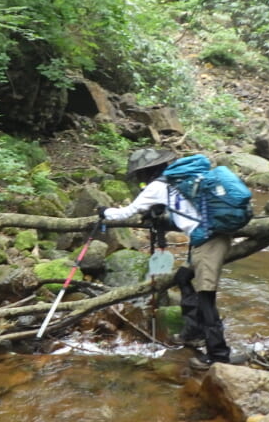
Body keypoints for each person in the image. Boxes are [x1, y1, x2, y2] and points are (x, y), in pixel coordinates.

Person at [100, 147, 246, 371]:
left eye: (139, 174)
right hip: (207, 237)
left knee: (206, 297)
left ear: (146, 172)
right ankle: (193, 333)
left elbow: (124, 213)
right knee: (183, 277)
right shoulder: (176, 181)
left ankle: (218, 354)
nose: (139, 179)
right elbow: (186, 214)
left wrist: (104, 212)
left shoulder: (157, 186)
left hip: (209, 242)